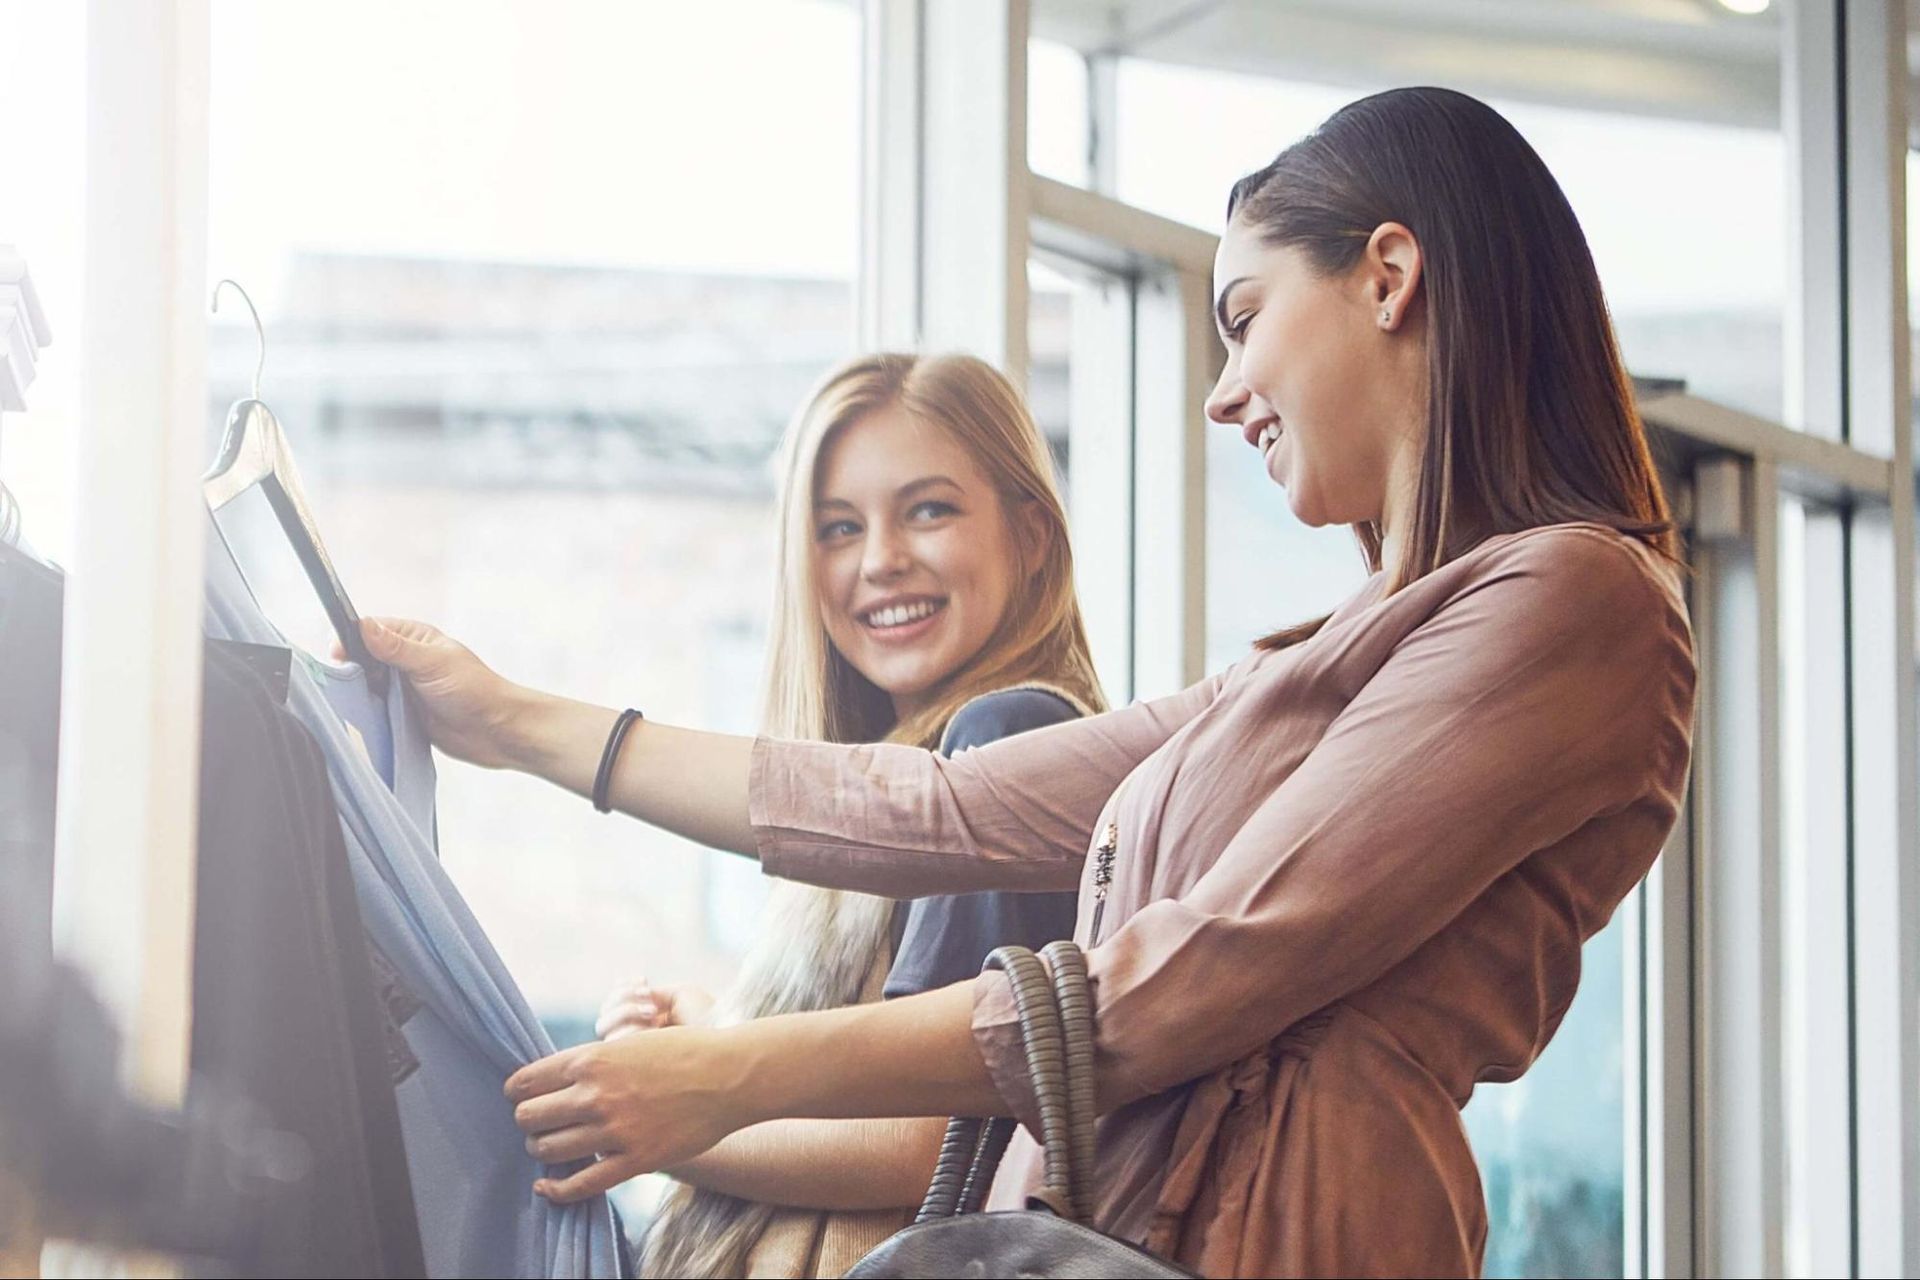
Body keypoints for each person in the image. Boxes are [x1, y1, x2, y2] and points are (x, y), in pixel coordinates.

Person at [364, 87, 1696, 1278]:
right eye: (834, 528)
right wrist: (513, 720)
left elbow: (1171, 984)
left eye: (1242, 321)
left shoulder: (1574, 600)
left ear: (1388, 274)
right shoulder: (1323, 659)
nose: (1225, 397)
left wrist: (726, 1079)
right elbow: (932, 813)